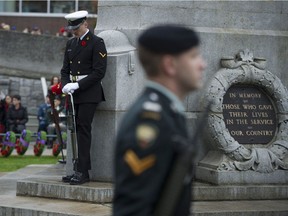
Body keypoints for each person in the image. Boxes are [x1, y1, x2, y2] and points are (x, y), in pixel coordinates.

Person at [113, 25, 206, 216]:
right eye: (193, 56)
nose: (202, 64)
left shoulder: (168, 112)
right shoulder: (149, 122)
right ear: (169, 65)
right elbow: (134, 209)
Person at [60, 10, 107, 185]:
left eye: (77, 27)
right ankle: (75, 169)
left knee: (83, 129)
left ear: (85, 24)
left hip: (88, 92)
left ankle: (83, 171)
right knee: (73, 130)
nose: (74, 30)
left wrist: (78, 85)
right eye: (72, 27)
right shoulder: (71, 43)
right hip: (73, 93)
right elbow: (65, 69)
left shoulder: (97, 43)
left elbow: (99, 72)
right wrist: (66, 84)